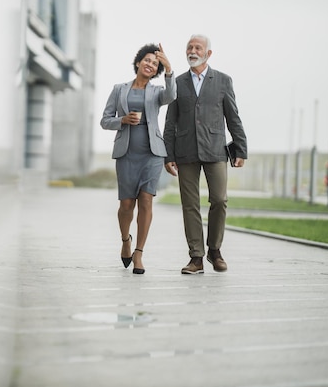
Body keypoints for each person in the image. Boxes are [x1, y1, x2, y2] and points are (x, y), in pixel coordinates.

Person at [163, 34, 247, 275]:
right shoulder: (177, 83)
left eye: (197, 47)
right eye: (189, 47)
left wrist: (240, 148)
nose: (192, 50)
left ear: (208, 53)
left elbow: (233, 116)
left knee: (219, 200)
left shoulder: (222, 81)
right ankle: (196, 257)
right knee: (190, 204)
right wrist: (168, 155)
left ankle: (214, 250)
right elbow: (170, 123)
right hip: (185, 150)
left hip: (215, 148)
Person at [100, 43, 176, 274]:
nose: (150, 64)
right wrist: (122, 120)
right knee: (126, 205)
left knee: (146, 201)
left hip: (152, 153)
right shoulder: (118, 89)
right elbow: (105, 120)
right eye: (147, 60)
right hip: (126, 152)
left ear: (157, 70)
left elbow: (172, 95)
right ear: (138, 62)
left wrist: (170, 69)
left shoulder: (157, 92)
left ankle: (139, 253)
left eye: (155, 63)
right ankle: (126, 241)